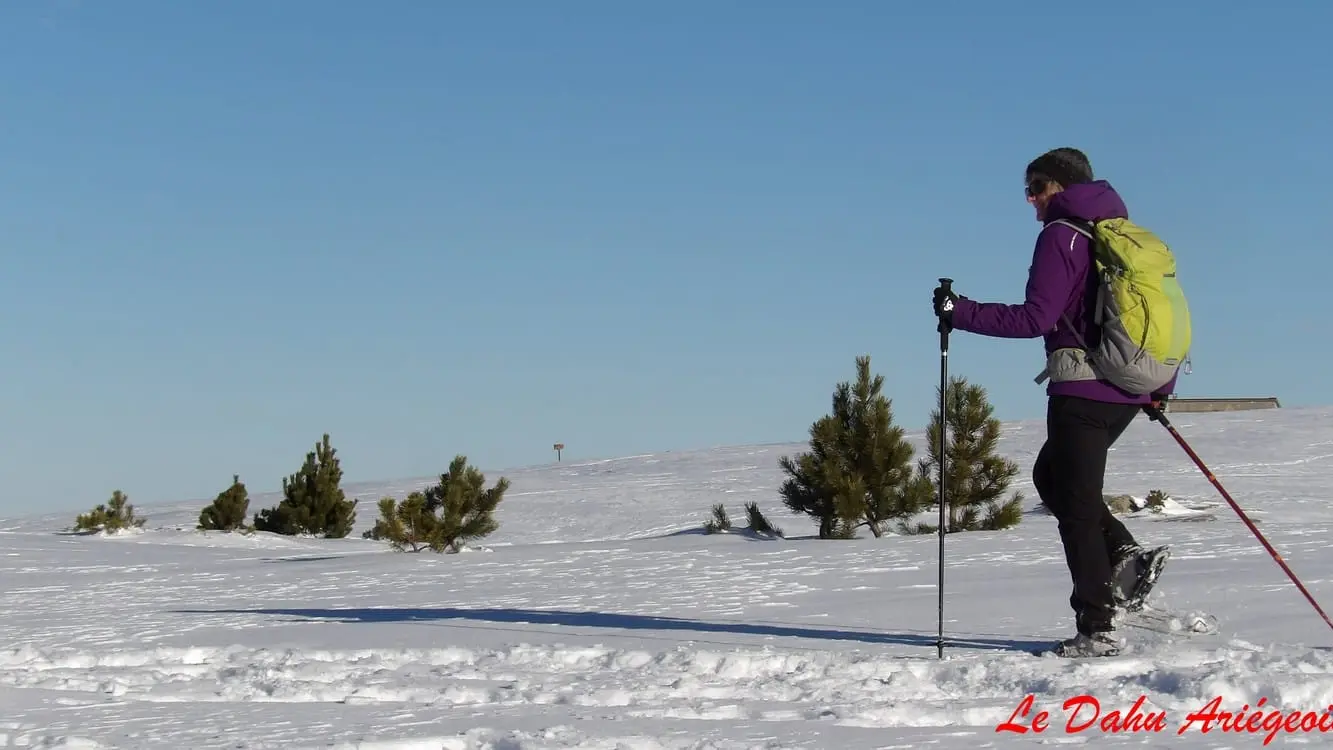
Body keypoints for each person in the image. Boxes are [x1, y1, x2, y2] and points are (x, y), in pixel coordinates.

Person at [931, 147, 1173, 657]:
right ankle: (1124, 556)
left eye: (1035, 188)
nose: (1031, 201)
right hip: (1126, 388)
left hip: (1083, 388)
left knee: (1078, 508)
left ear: (1059, 187)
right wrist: (1153, 388)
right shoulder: (1116, 235)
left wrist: (959, 310)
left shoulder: (1061, 235)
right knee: (1052, 479)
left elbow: (1034, 319)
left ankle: (1097, 627)